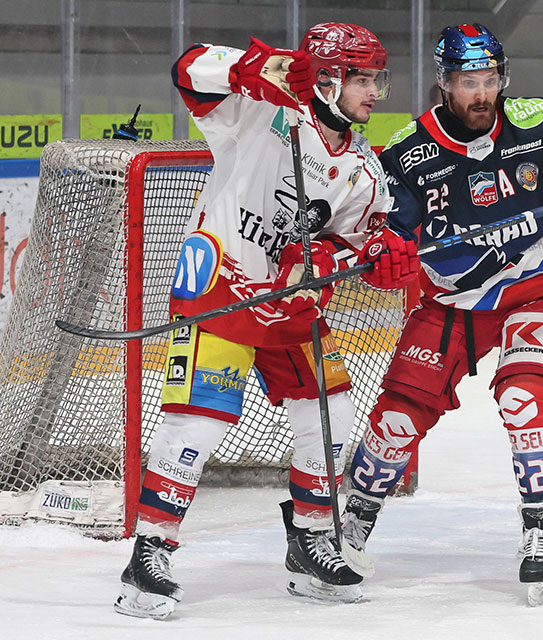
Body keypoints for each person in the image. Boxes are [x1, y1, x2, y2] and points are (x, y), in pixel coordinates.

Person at [114, 23, 419, 619]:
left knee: (330, 419)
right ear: (327, 77)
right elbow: (188, 67)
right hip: (221, 292)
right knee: (196, 426)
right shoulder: (258, 111)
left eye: (377, 78)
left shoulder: (365, 166)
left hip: (295, 314)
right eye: (364, 79)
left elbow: (365, 240)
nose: (376, 92)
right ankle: (148, 553)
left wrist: (367, 256)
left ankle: (310, 542)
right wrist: (261, 67)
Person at [340, 23, 543, 605]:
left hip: (536, 288)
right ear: (443, 84)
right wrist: (384, 251)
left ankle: (542, 533)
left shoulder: (541, 121)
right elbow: (385, 234)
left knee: (529, 402)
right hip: (452, 302)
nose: (481, 94)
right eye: (468, 82)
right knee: (396, 419)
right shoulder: (407, 152)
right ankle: (354, 521)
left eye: (490, 80)